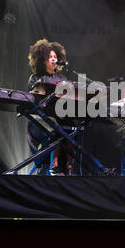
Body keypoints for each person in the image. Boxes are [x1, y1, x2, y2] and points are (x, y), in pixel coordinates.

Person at [27, 38, 74, 176]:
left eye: (55, 56)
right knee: (56, 128)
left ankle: (70, 167)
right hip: (41, 116)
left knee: (73, 128)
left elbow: (70, 94)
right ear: (42, 60)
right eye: (50, 56)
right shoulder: (35, 78)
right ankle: (54, 166)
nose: (54, 58)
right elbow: (32, 98)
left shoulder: (62, 77)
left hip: (61, 112)